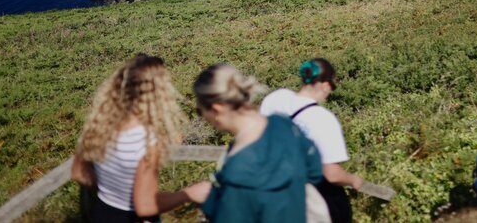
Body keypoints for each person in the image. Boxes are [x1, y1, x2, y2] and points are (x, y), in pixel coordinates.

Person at [71, 54, 210, 222]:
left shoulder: (101, 123)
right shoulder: (146, 142)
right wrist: (189, 193)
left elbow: (78, 172)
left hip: (103, 212)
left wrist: (112, 190)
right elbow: (145, 206)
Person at [193, 63, 323, 223]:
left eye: (200, 111)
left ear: (216, 109)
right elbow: (315, 171)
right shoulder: (284, 125)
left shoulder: (236, 172)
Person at [259, 58, 363, 223]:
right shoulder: (322, 118)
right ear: (325, 85)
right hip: (310, 196)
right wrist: (353, 180)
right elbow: (331, 174)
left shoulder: (276, 99)